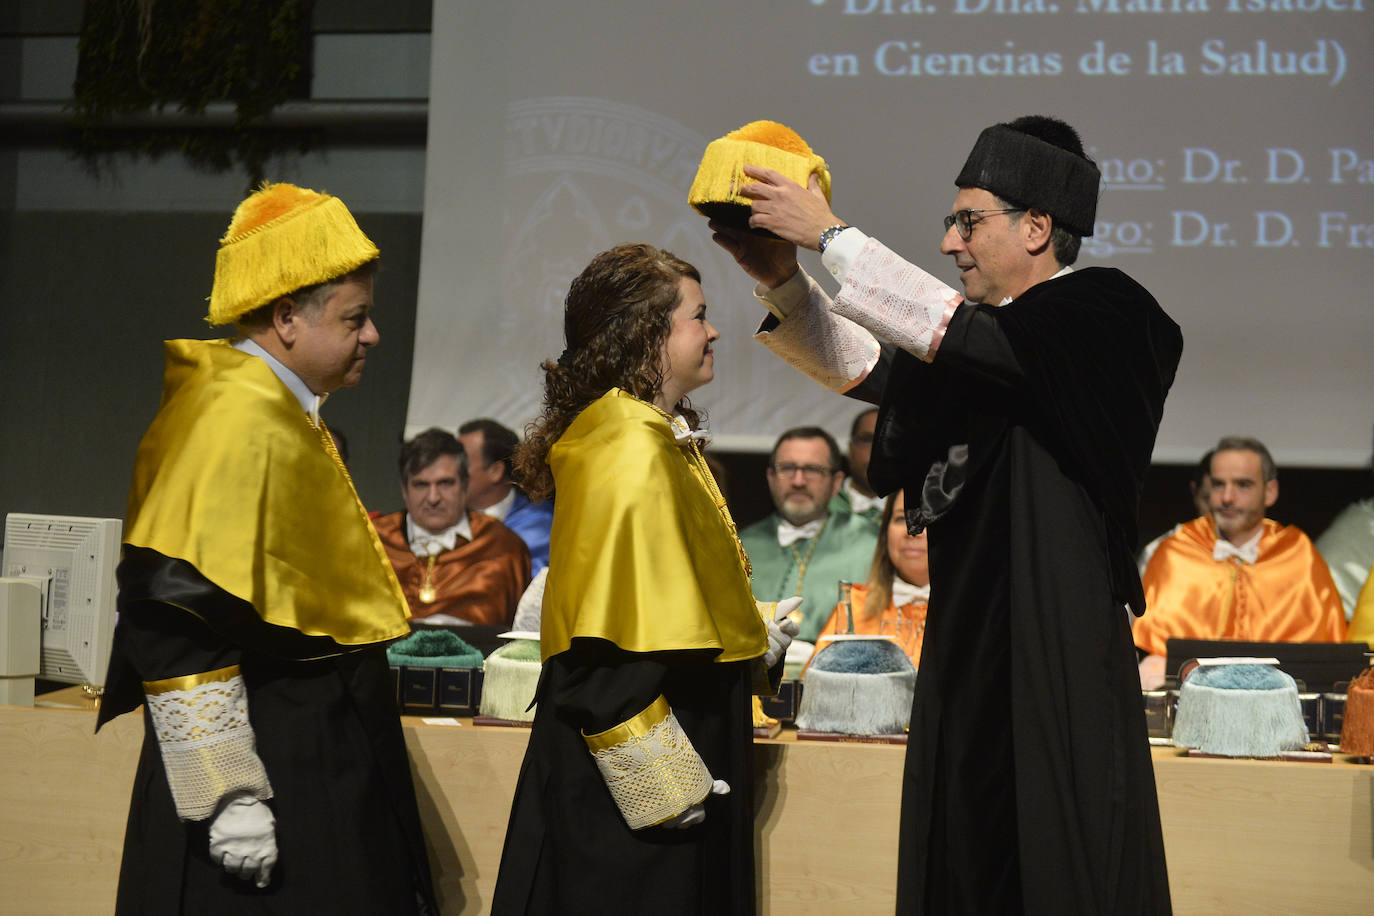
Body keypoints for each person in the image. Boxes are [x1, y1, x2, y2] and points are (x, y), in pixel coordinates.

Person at [713, 115, 1178, 912]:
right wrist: (782, 280)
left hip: (1053, 637)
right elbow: (877, 369)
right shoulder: (986, 344)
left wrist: (831, 236)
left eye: (969, 221)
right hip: (974, 636)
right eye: (951, 222)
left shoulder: (1110, 313)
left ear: (1038, 227)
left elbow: (972, 341)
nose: (950, 242)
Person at [96, 182, 437, 913]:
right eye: (356, 318)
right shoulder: (229, 415)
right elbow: (172, 607)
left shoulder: (280, 409)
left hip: (312, 742)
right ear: (286, 318)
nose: (372, 335)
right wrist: (228, 793)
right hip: (271, 755)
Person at [490, 243, 797, 915]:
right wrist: (660, 783)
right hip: (635, 781)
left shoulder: (647, 434)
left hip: (681, 739)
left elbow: (658, 595)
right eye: (699, 316)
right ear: (647, 335)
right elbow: (598, 657)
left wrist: (749, 630)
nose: (713, 331)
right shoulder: (626, 444)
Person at [1135, 437, 1347, 683]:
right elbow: (1152, 653)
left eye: (1242, 485)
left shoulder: (1297, 554)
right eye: (1218, 485)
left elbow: (1324, 662)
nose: (1227, 497)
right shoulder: (1176, 551)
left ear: (1270, 492)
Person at [373, 428, 531, 625]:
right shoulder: (373, 541)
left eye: (445, 483)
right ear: (404, 490)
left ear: (465, 486)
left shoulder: (503, 547)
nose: (433, 498)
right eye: (421, 485)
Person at [738, 427, 879, 641]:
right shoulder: (739, 545)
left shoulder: (871, 542)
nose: (798, 481)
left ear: (836, 482)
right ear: (770, 477)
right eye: (787, 468)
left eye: (813, 469)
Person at [814, 489, 929, 666]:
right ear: (885, 533)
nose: (912, 531)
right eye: (901, 518)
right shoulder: (855, 606)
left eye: (927, 520)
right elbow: (817, 684)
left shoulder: (976, 612)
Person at [458, 417, 555, 574]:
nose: (450, 471)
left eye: (462, 463)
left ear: (495, 471)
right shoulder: (447, 518)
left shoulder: (538, 525)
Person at [1137, 449, 1214, 576]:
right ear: (1194, 491)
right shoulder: (1163, 553)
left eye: (1226, 503)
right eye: (1207, 499)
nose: (1216, 511)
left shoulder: (1256, 552)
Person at [830, 407, 883, 521]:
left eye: (889, 441)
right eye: (867, 440)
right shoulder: (822, 504)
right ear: (850, 449)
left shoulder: (922, 510)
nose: (877, 450)